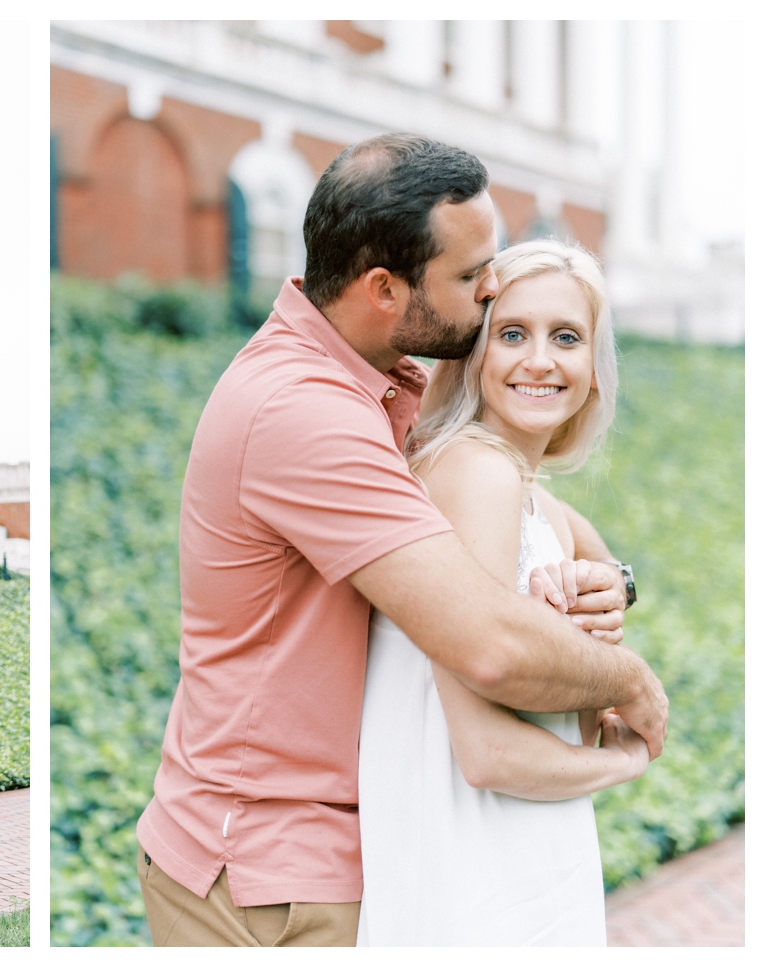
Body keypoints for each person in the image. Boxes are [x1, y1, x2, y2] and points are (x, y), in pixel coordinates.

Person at [134, 133, 667, 947]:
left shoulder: (382, 384)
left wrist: (608, 577)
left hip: (342, 848)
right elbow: (487, 645)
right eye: (469, 277)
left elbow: (528, 508)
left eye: (566, 337)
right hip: (266, 874)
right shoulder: (304, 411)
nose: (490, 290)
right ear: (386, 288)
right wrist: (629, 685)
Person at [356, 238, 648, 945]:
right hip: (477, 883)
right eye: (512, 333)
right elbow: (486, 753)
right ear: (475, 353)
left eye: (567, 337)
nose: (541, 359)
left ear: (594, 370)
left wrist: (610, 582)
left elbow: (573, 708)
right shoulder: (477, 474)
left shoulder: (523, 494)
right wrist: (628, 758)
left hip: (524, 858)